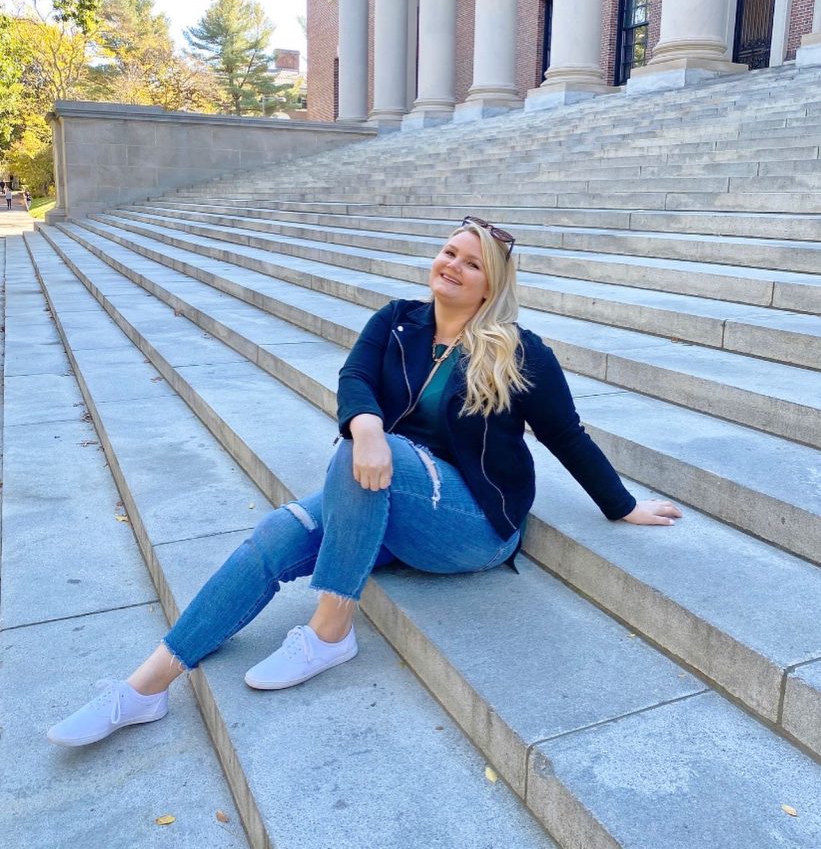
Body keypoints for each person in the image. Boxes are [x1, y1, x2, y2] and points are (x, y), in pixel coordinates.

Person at [47, 216, 682, 747]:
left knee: (364, 455)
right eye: (448, 252)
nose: (452, 266)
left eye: (472, 263)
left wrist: (622, 506)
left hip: (471, 525)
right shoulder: (397, 319)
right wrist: (369, 428)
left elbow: (565, 434)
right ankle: (144, 688)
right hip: (387, 493)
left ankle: (329, 632)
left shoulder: (518, 351)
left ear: (492, 286)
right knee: (281, 528)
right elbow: (354, 380)